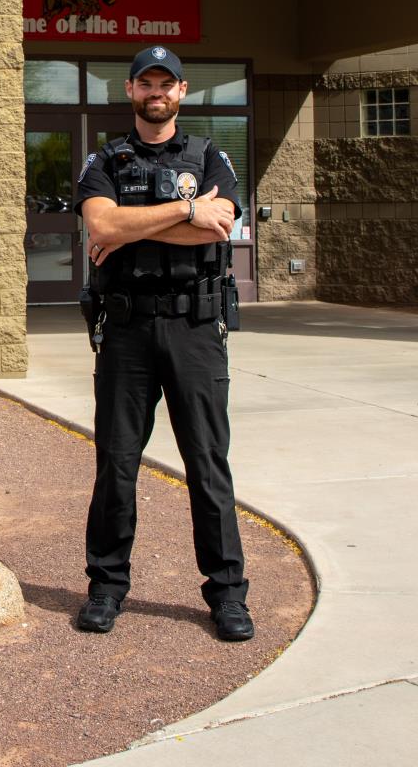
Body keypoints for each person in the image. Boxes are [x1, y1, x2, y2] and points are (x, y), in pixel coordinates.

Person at [73, 45, 252, 642]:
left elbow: (222, 222)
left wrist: (138, 223)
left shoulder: (210, 156)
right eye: (146, 82)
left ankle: (227, 595)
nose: (157, 91)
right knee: (117, 464)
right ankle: (106, 587)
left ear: (182, 91)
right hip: (126, 331)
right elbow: (101, 225)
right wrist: (185, 211)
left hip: (196, 330)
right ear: (129, 91)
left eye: (166, 83)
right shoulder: (104, 160)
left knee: (207, 464)